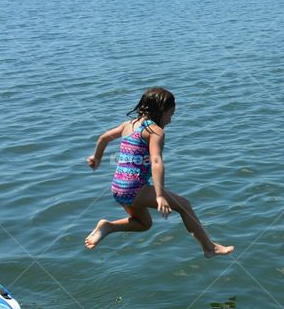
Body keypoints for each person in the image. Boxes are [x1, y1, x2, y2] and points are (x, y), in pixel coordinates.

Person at [84, 87, 234, 258]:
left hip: (118, 187)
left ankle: (108, 226)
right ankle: (209, 248)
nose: (170, 120)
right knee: (184, 206)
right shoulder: (155, 131)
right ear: (161, 111)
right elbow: (156, 161)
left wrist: (96, 158)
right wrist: (160, 195)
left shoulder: (128, 125)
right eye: (170, 114)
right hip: (134, 188)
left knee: (144, 224)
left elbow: (103, 138)